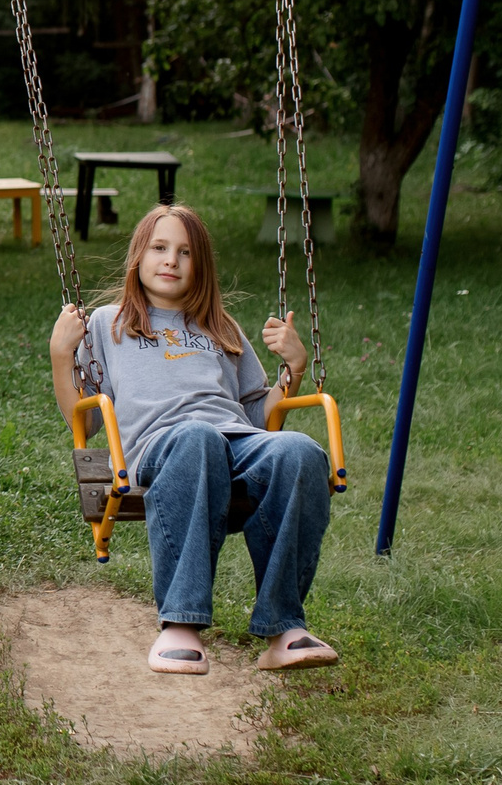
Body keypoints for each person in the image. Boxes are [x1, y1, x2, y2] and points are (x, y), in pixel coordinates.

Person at [48, 203, 340, 675]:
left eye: (185, 253)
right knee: (197, 438)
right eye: (159, 248)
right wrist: (62, 355)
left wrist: (294, 370)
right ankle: (180, 624)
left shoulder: (221, 327)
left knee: (300, 451)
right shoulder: (107, 322)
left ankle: (285, 627)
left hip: (235, 438)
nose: (171, 261)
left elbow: (258, 416)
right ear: (138, 257)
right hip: (164, 445)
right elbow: (82, 418)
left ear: (199, 266)